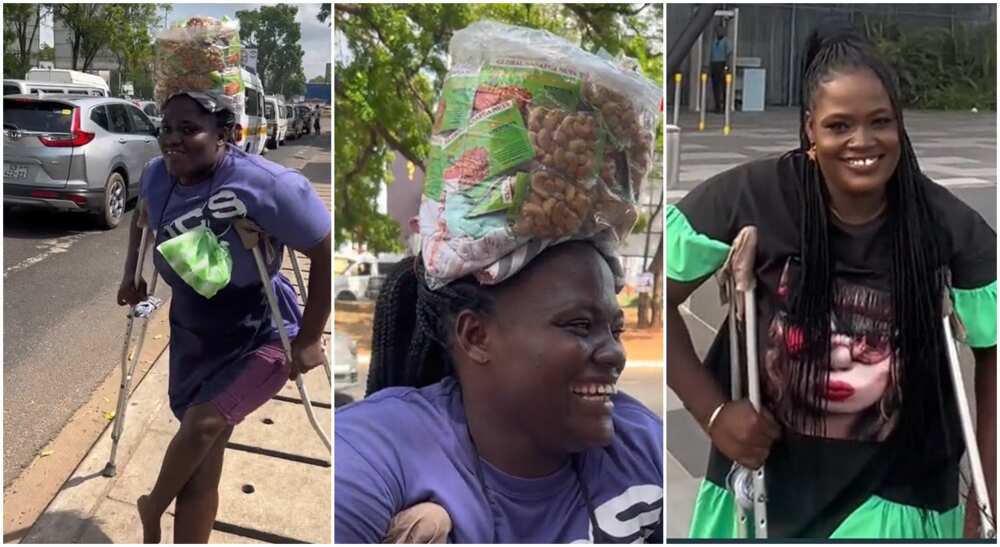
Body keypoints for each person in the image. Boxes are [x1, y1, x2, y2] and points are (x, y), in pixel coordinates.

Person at [666, 28, 996, 538]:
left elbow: (993, 353)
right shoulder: (753, 197)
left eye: (880, 123)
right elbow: (656, 296)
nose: (862, 142)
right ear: (810, 131)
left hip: (895, 498)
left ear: (899, 127)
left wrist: (986, 491)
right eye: (839, 125)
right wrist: (712, 414)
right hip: (769, 488)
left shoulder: (946, 226)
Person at [335, 242, 664, 543]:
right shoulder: (373, 453)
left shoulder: (642, 446)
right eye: (579, 325)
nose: (616, 354)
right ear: (476, 336)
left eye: (615, 330)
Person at [117, 90, 332, 543]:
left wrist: (312, 334)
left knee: (204, 426)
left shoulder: (269, 185)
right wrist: (130, 274)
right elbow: (141, 219)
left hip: (263, 329)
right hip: (195, 330)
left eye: (188, 130)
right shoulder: (159, 175)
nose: (172, 140)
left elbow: (324, 250)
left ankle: (152, 507)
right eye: (167, 129)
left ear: (226, 135)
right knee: (200, 472)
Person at [709, 23, 731, 114]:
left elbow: (729, 53)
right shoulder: (714, 41)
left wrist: (726, 66)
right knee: (715, 86)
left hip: (722, 63)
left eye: (720, 30)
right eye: (717, 30)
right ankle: (717, 106)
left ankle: (724, 107)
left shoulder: (726, 41)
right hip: (714, 64)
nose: (718, 32)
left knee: (723, 86)